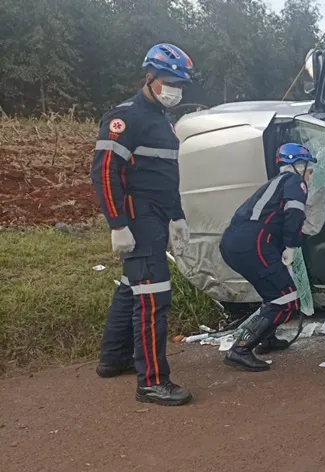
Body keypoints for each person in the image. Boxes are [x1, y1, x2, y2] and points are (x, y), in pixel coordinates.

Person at [91, 43, 194, 406]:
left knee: (130, 287)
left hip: (155, 218)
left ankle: (113, 358)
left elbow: (165, 176)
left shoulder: (163, 123)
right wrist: (117, 224)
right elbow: (104, 172)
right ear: (149, 77)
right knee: (152, 298)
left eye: (180, 83)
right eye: (168, 81)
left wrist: (177, 215)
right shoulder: (126, 117)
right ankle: (151, 381)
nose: (174, 89)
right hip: (137, 220)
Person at [218, 143, 314, 371]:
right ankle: (240, 349)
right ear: (298, 165)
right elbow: (294, 213)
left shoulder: (275, 183)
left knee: (274, 294)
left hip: (238, 243)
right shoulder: (294, 182)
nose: (310, 175)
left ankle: (266, 339)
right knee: (285, 298)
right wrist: (292, 245)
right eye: (309, 170)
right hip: (254, 244)